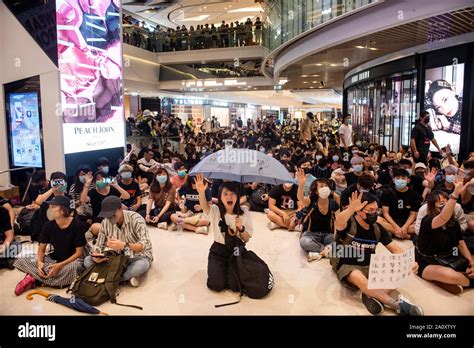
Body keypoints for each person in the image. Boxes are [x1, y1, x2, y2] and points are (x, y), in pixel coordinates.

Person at [332, 192, 423, 316]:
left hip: (369, 265)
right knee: (357, 276)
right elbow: (339, 221)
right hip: (346, 263)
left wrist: (409, 262)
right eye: (370, 210)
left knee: (398, 270)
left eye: (376, 210)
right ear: (359, 211)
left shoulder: (377, 228)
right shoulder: (349, 223)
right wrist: (351, 209)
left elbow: (395, 249)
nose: (374, 213)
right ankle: (397, 305)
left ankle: (370, 295)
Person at [14, 196, 87, 295]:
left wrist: (60, 266)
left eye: (53, 207)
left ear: (63, 210)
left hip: (72, 261)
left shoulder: (77, 225)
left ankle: (36, 279)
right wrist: (40, 263)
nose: (49, 209)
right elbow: (41, 250)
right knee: (23, 259)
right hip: (55, 258)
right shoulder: (48, 225)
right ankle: (51, 279)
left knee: (76, 268)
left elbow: (79, 253)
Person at [195, 174, 253, 293]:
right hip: (218, 250)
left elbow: (246, 239)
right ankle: (219, 269)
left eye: (232, 194)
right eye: (225, 194)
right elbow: (205, 207)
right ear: (220, 197)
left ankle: (228, 271)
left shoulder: (244, 213)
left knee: (235, 286)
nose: (229, 197)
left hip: (236, 251)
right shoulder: (216, 210)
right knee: (217, 285)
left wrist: (241, 228)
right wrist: (201, 192)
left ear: (237, 196)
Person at [415, 183, 474, 295]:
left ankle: (451, 282)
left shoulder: (453, 222)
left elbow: (461, 243)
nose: (443, 204)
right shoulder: (427, 221)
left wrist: (472, 263)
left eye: (445, 201)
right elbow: (442, 217)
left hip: (449, 258)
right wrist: (455, 194)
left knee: (466, 268)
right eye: (439, 202)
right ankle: (463, 281)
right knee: (449, 275)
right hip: (426, 261)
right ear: (432, 206)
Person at [84, 196, 153, 287]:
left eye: (113, 215)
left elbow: (145, 245)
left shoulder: (136, 219)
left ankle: (106, 277)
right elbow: (99, 245)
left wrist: (125, 245)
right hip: (115, 257)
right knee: (87, 260)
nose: (110, 218)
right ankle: (121, 279)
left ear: (120, 208)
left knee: (142, 265)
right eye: (107, 216)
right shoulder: (105, 222)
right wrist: (97, 255)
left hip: (135, 256)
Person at [297, 170, 339, 262]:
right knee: (304, 242)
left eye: (326, 186)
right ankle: (325, 250)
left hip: (328, 235)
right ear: (316, 191)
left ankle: (319, 254)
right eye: (321, 186)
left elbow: (338, 222)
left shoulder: (333, 204)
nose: (325, 188)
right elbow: (300, 198)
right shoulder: (311, 201)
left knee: (339, 242)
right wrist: (301, 185)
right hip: (311, 234)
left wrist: (336, 237)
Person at [80, 171, 130, 235]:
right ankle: (114, 232)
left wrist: (116, 186)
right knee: (95, 228)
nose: (100, 180)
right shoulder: (92, 192)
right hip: (100, 219)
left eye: (102, 179)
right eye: (98, 179)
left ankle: (113, 232)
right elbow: (83, 200)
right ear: (94, 182)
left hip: (114, 217)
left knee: (123, 208)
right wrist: (87, 185)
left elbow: (127, 196)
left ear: (106, 180)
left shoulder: (112, 189)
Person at [379, 169, 421, 239]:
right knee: (377, 220)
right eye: (398, 178)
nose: (400, 180)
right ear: (393, 180)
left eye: (403, 178)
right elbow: (385, 213)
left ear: (408, 180)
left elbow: (412, 214)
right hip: (391, 222)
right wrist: (396, 227)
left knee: (421, 224)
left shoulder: (415, 194)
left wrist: (405, 227)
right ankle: (405, 235)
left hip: (407, 223)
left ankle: (395, 233)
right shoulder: (387, 193)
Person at [267, 165, 301, 231]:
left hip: (293, 212)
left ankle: (278, 224)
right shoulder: (276, 188)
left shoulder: (297, 189)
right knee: (270, 214)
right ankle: (293, 226)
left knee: (303, 215)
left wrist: (294, 219)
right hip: (280, 212)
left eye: (291, 177)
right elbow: (271, 206)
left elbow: (300, 207)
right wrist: (283, 214)